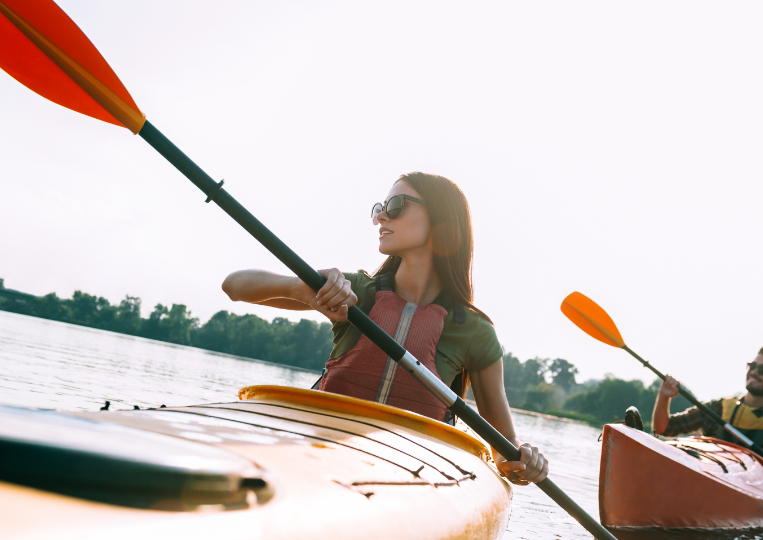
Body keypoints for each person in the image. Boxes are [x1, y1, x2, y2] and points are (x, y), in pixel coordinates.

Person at [221, 172, 549, 486]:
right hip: (319, 455)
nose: (381, 218)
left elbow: (507, 456)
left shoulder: (475, 332)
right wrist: (304, 290)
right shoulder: (358, 292)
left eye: (396, 207)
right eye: (380, 209)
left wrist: (526, 463)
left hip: (407, 479)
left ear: (441, 219)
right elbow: (234, 285)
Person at [651, 345, 763, 495]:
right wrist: (664, 396)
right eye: (752, 366)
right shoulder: (717, 408)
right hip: (705, 475)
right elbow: (664, 429)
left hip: (751, 491)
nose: (754, 372)